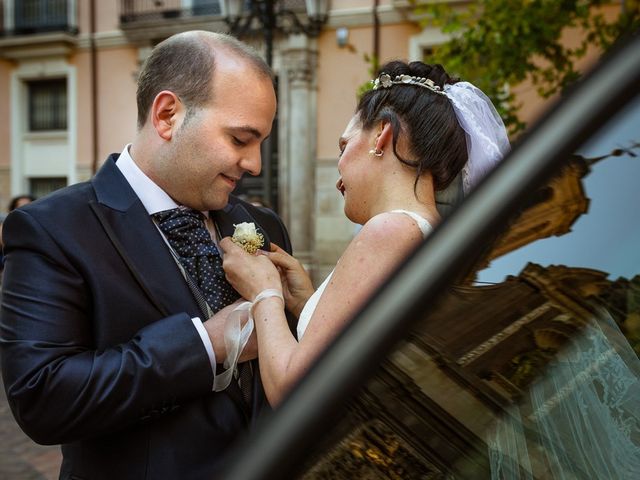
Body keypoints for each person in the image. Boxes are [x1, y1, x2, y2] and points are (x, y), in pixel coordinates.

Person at [0, 31, 292, 480]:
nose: (254, 163)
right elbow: (43, 398)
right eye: (239, 139)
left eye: (261, 143)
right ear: (168, 115)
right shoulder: (53, 229)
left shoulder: (263, 226)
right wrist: (207, 345)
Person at [220, 60, 510, 406]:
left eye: (344, 147)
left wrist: (264, 290)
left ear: (382, 136)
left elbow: (294, 390)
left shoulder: (392, 230)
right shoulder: (429, 233)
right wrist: (307, 301)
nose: (338, 171)